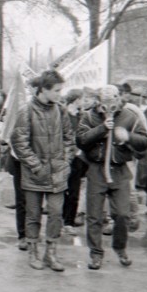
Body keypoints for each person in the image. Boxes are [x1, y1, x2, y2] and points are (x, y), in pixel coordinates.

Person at [76, 85, 147, 270]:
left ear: (119, 99)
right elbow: (81, 140)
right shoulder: (89, 116)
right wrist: (102, 129)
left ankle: (120, 248)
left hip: (119, 170)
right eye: (106, 101)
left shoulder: (129, 116)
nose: (111, 104)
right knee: (94, 216)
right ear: (99, 101)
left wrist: (129, 137)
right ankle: (96, 253)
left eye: (114, 99)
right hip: (96, 169)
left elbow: (145, 142)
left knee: (123, 214)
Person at [11, 69, 74, 272]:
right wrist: (36, 166)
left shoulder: (61, 110)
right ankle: (33, 252)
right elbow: (19, 142)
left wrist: (65, 161)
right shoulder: (26, 111)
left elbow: (69, 138)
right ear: (43, 90)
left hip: (57, 173)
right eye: (56, 90)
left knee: (56, 214)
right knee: (33, 215)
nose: (59, 94)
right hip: (34, 174)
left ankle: (51, 253)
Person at [62, 89, 88, 235]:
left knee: (74, 190)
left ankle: (69, 221)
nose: (83, 101)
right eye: (81, 99)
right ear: (76, 99)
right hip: (65, 157)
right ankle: (62, 217)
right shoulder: (63, 115)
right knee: (61, 189)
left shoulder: (81, 116)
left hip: (78, 159)